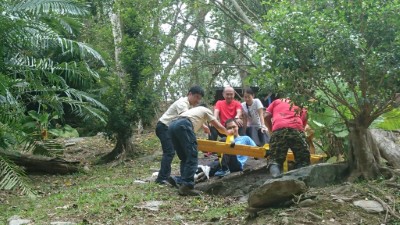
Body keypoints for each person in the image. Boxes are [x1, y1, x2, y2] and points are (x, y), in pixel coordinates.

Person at [168, 105, 233, 196]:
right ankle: (187, 186)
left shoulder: (192, 112)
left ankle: (183, 182)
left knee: (185, 157)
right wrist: (228, 133)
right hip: (183, 125)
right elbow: (218, 127)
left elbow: (186, 120)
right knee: (192, 155)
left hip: (172, 125)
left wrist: (204, 127)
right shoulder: (206, 110)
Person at [154, 86, 205, 186]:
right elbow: (185, 117)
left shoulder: (188, 106)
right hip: (164, 126)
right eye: (196, 97)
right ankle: (162, 178)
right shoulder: (182, 103)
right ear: (189, 94)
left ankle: (180, 178)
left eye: (200, 98)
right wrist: (204, 125)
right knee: (169, 152)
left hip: (169, 128)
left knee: (176, 152)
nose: (198, 100)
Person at [265, 98, 310, 178]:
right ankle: (300, 180)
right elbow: (305, 116)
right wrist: (300, 129)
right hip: (296, 128)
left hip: (278, 129)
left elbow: (266, 116)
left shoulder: (276, 101)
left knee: (275, 160)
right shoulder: (298, 102)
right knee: (303, 159)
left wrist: (271, 129)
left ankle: (276, 180)